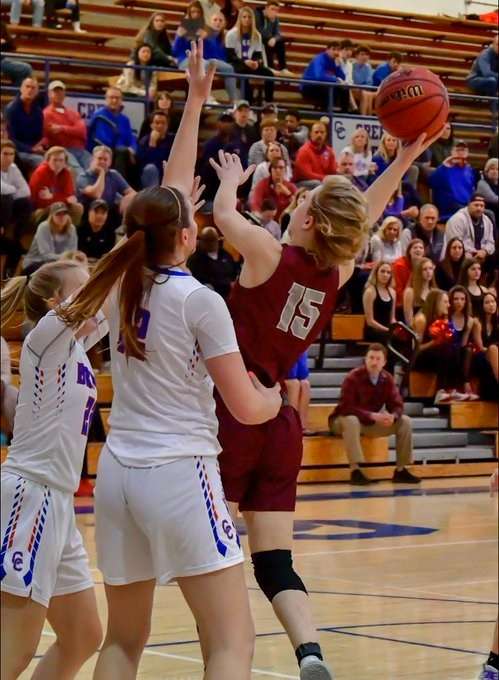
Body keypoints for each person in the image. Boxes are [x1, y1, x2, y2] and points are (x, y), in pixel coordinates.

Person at [56, 43, 282, 680]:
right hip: (179, 471)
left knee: (123, 642)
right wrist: (270, 397)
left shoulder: (118, 281)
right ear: (187, 235)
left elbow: (168, 197)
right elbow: (244, 405)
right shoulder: (200, 300)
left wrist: (196, 102)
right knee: (231, 644)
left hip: (119, 476)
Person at [209, 122, 440, 677]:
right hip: (282, 420)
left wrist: (231, 183)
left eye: (305, 198)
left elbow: (220, 217)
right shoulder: (334, 272)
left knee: (211, 559)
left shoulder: (267, 253)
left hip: (230, 409)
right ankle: (309, 651)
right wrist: (405, 158)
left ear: (308, 219)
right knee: (274, 560)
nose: (297, 200)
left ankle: (227, 654)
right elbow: (363, 211)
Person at [0, 260, 107, 680]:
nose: (95, 292)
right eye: (85, 286)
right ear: (56, 302)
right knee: (13, 652)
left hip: (58, 503)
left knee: (82, 635)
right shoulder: (43, 338)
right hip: (30, 497)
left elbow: (113, 299)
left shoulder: (78, 345)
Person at [329, 344, 418, 485]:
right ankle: (355, 470)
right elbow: (346, 407)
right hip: (341, 421)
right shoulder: (353, 377)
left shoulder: (387, 379)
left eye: (378, 359)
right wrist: (371, 415)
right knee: (351, 420)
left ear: (384, 363)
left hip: (367, 423)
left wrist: (392, 416)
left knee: (405, 421)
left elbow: (397, 405)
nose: (374, 362)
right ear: (365, 359)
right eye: (371, 358)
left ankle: (401, 470)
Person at [412, 289, 472, 403]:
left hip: (435, 354)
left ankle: (452, 390)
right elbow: (415, 349)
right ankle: (440, 391)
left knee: (457, 348)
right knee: (444, 349)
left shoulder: (441, 319)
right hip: (419, 359)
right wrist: (434, 342)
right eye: (445, 302)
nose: (449, 305)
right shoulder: (421, 319)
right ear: (436, 302)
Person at [77, 145, 136, 230]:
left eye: (105, 160)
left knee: (129, 203)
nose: (102, 162)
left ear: (110, 162)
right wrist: (102, 173)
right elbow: (97, 194)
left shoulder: (114, 174)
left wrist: (126, 199)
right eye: (99, 158)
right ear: (92, 160)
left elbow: (133, 193)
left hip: (108, 212)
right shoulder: (83, 177)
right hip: (89, 214)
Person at [86, 87, 137, 182]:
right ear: (106, 99)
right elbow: (104, 140)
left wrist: (132, 149)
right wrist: (125, 149)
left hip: (123, 153)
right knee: (121, 152)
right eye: (111, 97)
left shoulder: (124, 119)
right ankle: (119, 187)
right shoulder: (100, 116)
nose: (114, 100)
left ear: (121, 100)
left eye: (117, 98)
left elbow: (131, 138)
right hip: (105, 151)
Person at [225, 6, 274, 104]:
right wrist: (244, 62)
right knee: (244, 74)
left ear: (252, 19)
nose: (247, 19)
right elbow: (230, 56)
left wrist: (256, 62)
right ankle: (249, 102)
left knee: (270, 74)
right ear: (240, 18)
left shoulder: (257, 35)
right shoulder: (231, 34)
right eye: (244, 17)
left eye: (249, 17)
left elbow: (258, 55)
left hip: (251, 64)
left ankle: (269, 102)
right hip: (237, 63)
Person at [42, 79, 92, 176]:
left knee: (94, 168)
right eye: (55, 92)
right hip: (62, 150)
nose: (58, 94)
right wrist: (72, 129)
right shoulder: (46, 114)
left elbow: (82, 131)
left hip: (80, 149)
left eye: (61, 92)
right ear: (49, 94)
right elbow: (53, 134)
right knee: (78, 171)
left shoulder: (73, 112)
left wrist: (62, 128)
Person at [29, 146, 83, 226]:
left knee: (78, 207)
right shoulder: (41, 173)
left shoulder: (66, 173)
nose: (58, 163)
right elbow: (41, 202)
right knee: (53, 212)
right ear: (48, 161)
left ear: (65, 163)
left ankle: (70, 234)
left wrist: (52, 197)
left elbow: (69, 196)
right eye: (54, 160)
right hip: (40, 209)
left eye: (61, 160)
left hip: (59, 206)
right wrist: (63, 198)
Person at [23, 202, 78, 274]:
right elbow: (46, 255)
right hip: (37, 261)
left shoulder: (71, 228)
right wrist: (64, 257)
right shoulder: (44, 227)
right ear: (52, 216)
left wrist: (67, 258)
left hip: (61, 264)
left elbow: (72, 251)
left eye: (64, 214)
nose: (62, 217)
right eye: (58, 214)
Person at [4, 76, 45, 172]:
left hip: (33, 150)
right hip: (17, 151)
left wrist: (40, 145)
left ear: (37, 92)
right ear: (21, 89)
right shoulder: (11, 109)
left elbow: (39, 135)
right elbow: (10, 138)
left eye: (33, 88)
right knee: (42, 162)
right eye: (27, 86)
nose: (30, 90)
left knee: (58, 156)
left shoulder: (38, 111)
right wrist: (31, 149)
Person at [429, 140, 476, 221]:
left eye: (463, 150)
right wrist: (443, 166)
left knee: (488, 213)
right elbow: (431, 182)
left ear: (467, 152)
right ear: (451, 152)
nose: (460, 152)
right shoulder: (445, 168)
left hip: (466, 206)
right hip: (449, 208)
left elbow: (472, 191)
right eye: (458, 150)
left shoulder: (470, 170)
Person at [187, 225, 238, 299]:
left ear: (218, 240)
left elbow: (234, 273)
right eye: (207, 240)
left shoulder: (226, 255)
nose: (211, 243)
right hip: (209, 295)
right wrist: (225, 284)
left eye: (213, 240)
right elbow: (199, 279)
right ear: (202, 241)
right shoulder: (196, 259)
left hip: (229, 294)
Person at [443, 194, 496, 263]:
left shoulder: (487, 221)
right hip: (461, 256)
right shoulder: (457, 219)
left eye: (481, 206)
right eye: (476, 205)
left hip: (481, 256)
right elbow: (455, 245)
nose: (479, 208)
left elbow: (491, 243)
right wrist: (474, 253)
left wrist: (484, 251)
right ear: (468, 205)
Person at [300, 42, 348, 112]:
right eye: (333, 49)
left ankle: (344, 114)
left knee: (345, 89)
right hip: (309, 86)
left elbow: (342, 78)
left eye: (338, 50)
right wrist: (336, 80)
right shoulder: (319, 59)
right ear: (327, 50)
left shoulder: (335, 60)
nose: (336, 52)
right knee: (328, 89)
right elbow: (319, 76)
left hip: (325, 86)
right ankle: (325, 114)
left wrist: (338, 66)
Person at [204, 13, 239, 104]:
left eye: (220, 20)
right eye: (215, 20)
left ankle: (234, 101)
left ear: (224, 23)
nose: (218, 22)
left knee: (230, 68)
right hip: (207, 63)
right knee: (228, 68)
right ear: (210, 22)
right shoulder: (205, 35)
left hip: (221, 65)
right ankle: (233, 100)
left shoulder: (226, 37)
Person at [0, 139, 32, 238]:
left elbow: (26, 191)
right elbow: (2, 189)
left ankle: (16, 238)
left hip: (7, 205)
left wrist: (11, 192)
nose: (8, 157)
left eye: (11, 154)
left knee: (26, 203)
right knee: (6, 198)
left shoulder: (13, 168)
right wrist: (14, 189)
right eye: (5, 154)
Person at [136, 110, 174, 188]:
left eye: (163, 123)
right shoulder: (144, 141)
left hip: (168, 173)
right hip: (151, 176)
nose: (160, 126)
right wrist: (152, 144)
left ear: (167, 126)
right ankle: (154, 198)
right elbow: (143, 163)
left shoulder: (173, 140)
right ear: (151, 125)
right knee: (151, 168)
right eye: (157, 123)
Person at [293, 121, 336, 188]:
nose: (319, 135)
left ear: (326, 134)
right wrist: (327, 178)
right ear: (311, 134)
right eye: (316, 132)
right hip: (302, 183)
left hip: (323, 181)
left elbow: (333, 172)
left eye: (322, 132)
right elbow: (307, 175)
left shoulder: (329, 151)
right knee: (317, 184)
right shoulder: (304, 151)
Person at [255, 0, 293, 76]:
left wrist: (274, 39)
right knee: (270, 68)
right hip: (258, 44)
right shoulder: (257, 15)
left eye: (276, 10)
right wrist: (270, 38)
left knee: (280, 42)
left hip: (269, 43)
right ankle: (269, 68)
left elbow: (278, 34)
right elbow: (257, 32)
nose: (274, 12)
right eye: (272, 9)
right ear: (266, 8)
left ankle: (283, 68)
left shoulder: (275, 18)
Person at [362, 262, 396, 344]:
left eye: (388, 272)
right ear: (376, 273)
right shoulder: (370, 291)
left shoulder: (392, 292)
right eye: (382, 271)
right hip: (373, 330)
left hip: (387, 329)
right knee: (392, 340)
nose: (385, 275)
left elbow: (392, 318)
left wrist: (396, 328)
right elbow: (370, 321)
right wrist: (387, 330)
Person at [466, 35, 498, 113]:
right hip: (475, 80)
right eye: (498, 45)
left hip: (493, 81)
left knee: (493, 81)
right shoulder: (485, 54)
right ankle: (493, 104)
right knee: (492, 80)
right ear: (493, 44)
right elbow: (486, 73)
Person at [403, 257, 437, 326]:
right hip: (415, 331)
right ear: (418, 272)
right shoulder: (410, 292)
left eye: (430, 268)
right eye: (425, 269)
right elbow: (409, 320)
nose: (428, 272)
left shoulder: (434, 291)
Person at [392, 238, 425, 307]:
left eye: (421, 248)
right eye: (415, 247)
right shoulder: (399, 265)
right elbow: (398, 290)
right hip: (401, 304)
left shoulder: (425, 265)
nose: (418, 249)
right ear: (409, 251)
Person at [0, 20, 32, 86]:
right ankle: (17, 93)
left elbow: (12, 46)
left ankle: (16, 92)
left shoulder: (2, 25)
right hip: (2, 62)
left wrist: (6, 42)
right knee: (26, 68)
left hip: (3, 61)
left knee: (24, 71)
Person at [476, 291, 499, 383]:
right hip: (482, 355)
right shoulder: (477, 323)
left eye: (493, 301)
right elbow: (480, 347)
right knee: (493, 348)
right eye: (487, 302)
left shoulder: (497, 322)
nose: (491, 305)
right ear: (482, 306)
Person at [230, 100, 259, 167]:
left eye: (246, 111)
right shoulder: (229, 130)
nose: (243, 113)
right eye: (240, 110)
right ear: (235, 113)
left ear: (249, 113)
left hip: (249, 165)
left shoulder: (253, 130)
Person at [352, 45, 375, 115]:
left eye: (366, 55)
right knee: (366, 94)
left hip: (364, 90)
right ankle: (364, 117)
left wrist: (362, 88)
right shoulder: (351, 66)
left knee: (368, 94)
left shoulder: (368, 67)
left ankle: (368, 118)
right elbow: (351, 81)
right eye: (362, 54)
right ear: (356, 56)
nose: (365, 57)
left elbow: (369, 83)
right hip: (353, 89)